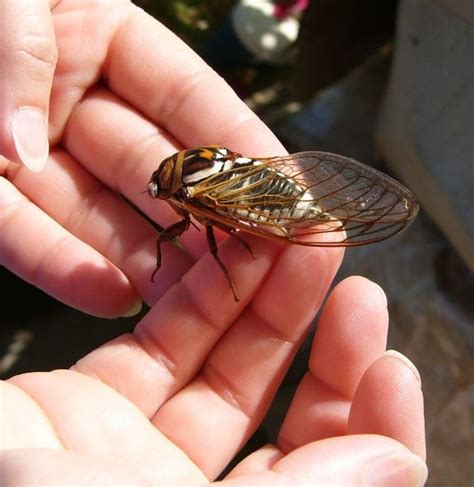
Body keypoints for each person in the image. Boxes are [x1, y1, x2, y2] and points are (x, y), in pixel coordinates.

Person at [0, 1, 427, 484]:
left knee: (246, 248)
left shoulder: (195, 198)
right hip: (252, 179)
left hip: (264, 204)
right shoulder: (189, 173)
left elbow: (212, 224)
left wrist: (232, 243)